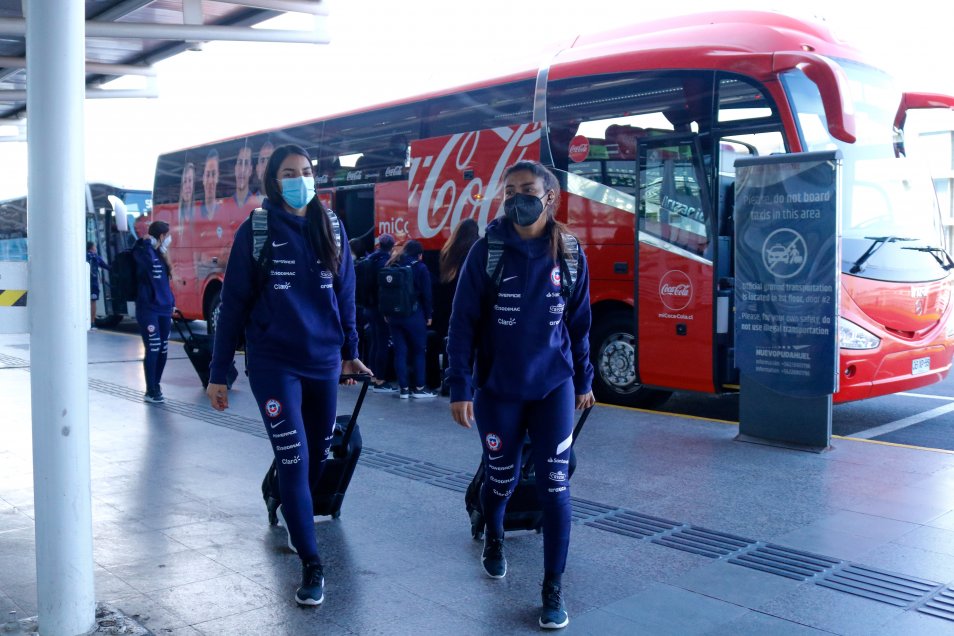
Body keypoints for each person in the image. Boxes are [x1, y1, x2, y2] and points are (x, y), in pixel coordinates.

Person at [205, 144, 371, 607]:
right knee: (297, 459)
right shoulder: (256, 230)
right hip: (273, 364)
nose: (300, 179)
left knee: (315, 458)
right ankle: (312, 564)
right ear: (274, 182)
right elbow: (233, 304)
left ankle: (279, 491)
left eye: (306, 171)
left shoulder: (332, 228)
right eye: (289, 173)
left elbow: (346, 296)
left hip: (321, 362)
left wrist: (350, 353)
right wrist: (220, 373)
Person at [446, 160, 595, 630]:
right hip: (499, 391)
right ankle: (493, 534)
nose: (516, 197)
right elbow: (461, 324)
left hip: (553, 386)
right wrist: (459, 385)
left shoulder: (569, 252)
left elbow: (580, 325)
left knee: (555, 487)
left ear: (549, 197)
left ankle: (552, 589)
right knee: (502, 481)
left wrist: (585, 381)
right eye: (509, 190)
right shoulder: (487, 251)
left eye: (526, 189)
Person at [383, 239, 436, 399]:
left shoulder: (393, 264)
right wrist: (429, 315)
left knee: (400, 351)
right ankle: (419, 387)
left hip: (393, 315)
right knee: (419, 351)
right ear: (420, 255)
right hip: (414, 315)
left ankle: (403, 389)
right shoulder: (420, 268)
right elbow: (427, 295)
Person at [431, 218, 480, 385]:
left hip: (447, 306)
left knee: (451, 344)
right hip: (469, 306)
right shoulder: (475, 251)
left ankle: (450, 381)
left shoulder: (448, 251)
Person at [133, 221, 175, 403]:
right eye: (167, 235)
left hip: (165, 308)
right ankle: (150, 389)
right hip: (148, 308)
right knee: (154, 346)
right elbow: (139, 262)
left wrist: (172, 304)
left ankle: (156, 385)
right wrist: (146, 242)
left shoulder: (161, 254)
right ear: (160, 236)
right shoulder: (143, 251)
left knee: (163, 347)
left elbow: (166, 280)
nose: (169, 238)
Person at [366, 233, 398, 393]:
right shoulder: (386, 263)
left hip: (368, 306)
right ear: (392, 247)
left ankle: (372, 376)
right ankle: (380, 379)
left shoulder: (371, 259)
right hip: (380, 308)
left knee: (375, 342)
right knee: (383, 343)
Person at [86, 241, 109, 330]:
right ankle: (92, 322)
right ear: (92, 248)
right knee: (93, 302)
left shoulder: (83, 256)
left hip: (85, 283)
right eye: (95, 247)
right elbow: (106, 267)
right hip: (94, 284)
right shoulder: (95, 257)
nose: (96, 248)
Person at [200, 149, 220, 220]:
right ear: (203, 179)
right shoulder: (196, 213)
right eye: (207, 175)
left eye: (214, 174)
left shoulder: (223, 211)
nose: (210, 181)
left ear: (217, 177)